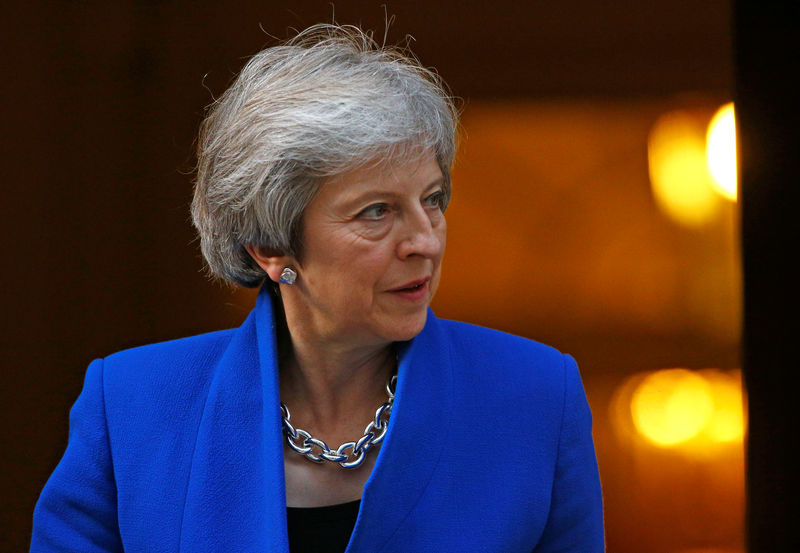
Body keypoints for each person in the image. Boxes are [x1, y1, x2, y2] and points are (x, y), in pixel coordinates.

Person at [31, 24, 604, 553]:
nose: (424, 241)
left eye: (432, 200)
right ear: (271, 247)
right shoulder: (134, 406)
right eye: (376, 212)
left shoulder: (535, 398)